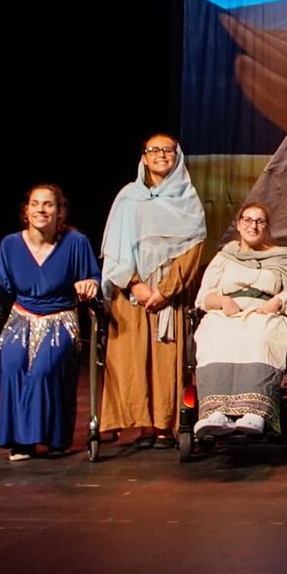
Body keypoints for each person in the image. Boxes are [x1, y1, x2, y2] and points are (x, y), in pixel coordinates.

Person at [0, 185, 101, 461]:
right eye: (35, 204)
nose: (41, 210)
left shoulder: (76, 243)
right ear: (26, 211)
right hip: (21, 315)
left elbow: (94, 278)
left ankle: (53, 438)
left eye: (49, 205)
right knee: (13, 364)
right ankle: (20, 442)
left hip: (60, 317)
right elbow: (2, 287)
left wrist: (89, 283)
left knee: (44, 369)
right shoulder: (10, 244)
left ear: (59, 211)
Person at [100, 134, 207, 449]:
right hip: (131, 296)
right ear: (144, 157)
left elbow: (193, 248)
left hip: (168, 297)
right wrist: (135, 284)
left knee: (165, 363)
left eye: (168, 150)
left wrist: (165, 290)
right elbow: (115, 249)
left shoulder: (188, 199)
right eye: (154, 150)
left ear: (178, 156)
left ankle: (163, 426)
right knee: (131, 360)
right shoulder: (128, 197)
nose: (162, 154)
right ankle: (141, 424)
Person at [190, 203, 287, 438]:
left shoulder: (281, 257)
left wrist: (278, 301)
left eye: (260, 221)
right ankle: (215, 412)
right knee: (214, 335)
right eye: (248, 220)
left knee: (258, 336)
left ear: (267, 227)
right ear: (239, 224)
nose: (253, 225)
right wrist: (222, 301)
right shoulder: (224, 257)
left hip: (265, 312)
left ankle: (255, 413)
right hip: (227, 312)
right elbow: (203, 297)